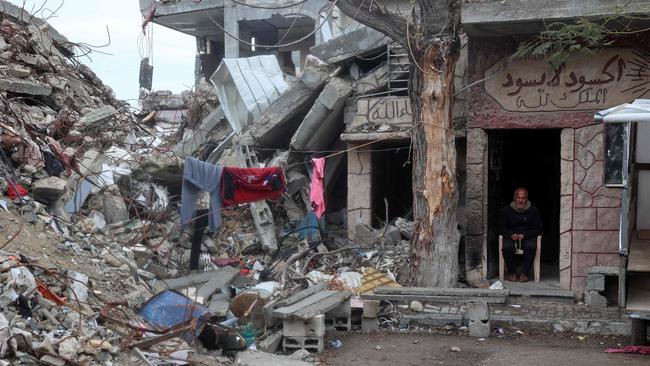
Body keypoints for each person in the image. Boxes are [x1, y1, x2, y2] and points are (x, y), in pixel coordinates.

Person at [499, 187, 543, 282]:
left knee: (531, 247)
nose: (521, 200)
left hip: (527, 237)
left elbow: (539, 229)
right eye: (518, 197)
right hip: (512, 237)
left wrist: (525, 235)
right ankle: (511, 273)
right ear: (514, 198)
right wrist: (511, 235)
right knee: (507, 247)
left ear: (527, 199)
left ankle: (525, 273)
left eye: (523, 198)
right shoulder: (507, 210)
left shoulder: (533, 210)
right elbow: (501, 228)